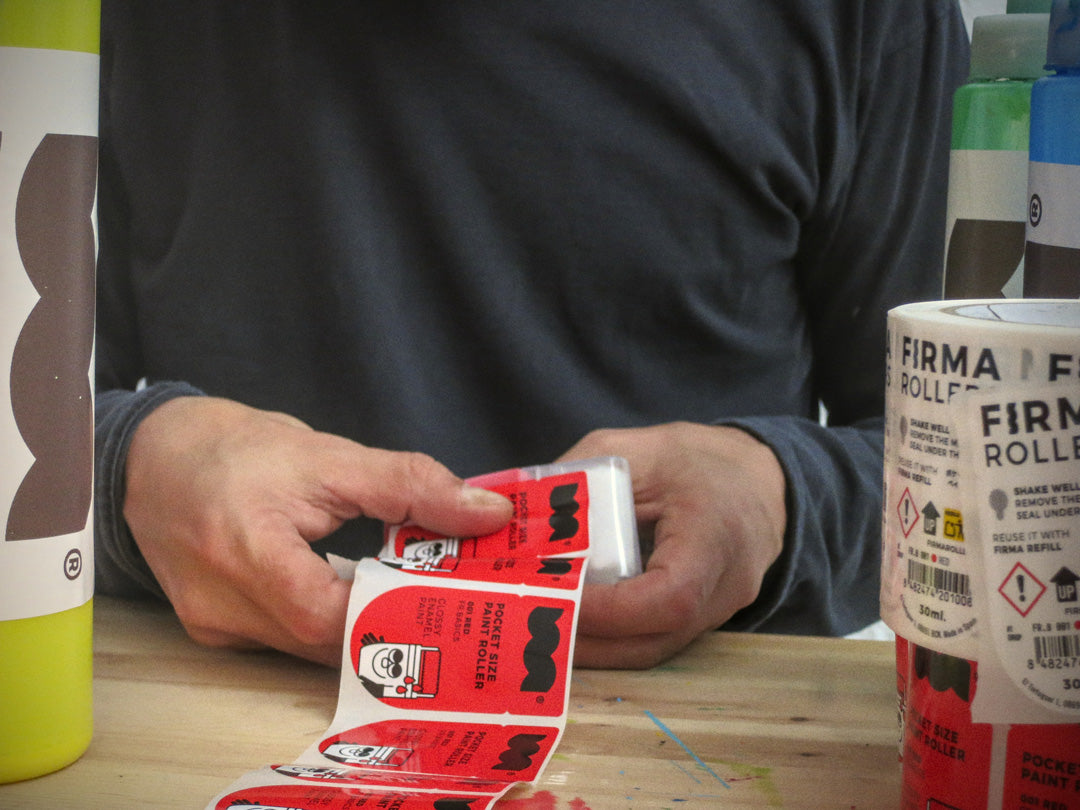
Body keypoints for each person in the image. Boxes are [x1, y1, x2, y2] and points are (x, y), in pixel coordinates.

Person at [94, 1, 970, 669]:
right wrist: (126, 470)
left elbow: (967, 464)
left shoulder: (861, 18)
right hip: (206, 715)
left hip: (702, 740)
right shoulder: (98, 23)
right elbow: (41, 417)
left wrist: (781, 500)